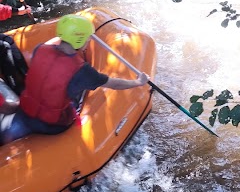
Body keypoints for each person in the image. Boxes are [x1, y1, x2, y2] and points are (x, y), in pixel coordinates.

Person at [0, 14, 149, 145]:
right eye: (88, 38)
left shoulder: (40, 49)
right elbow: (113, 83)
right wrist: (138, 82)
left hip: (24, 112)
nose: (89, 41)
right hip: (53, 125)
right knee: (80, 88)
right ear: (80, 40)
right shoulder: (82, 70)